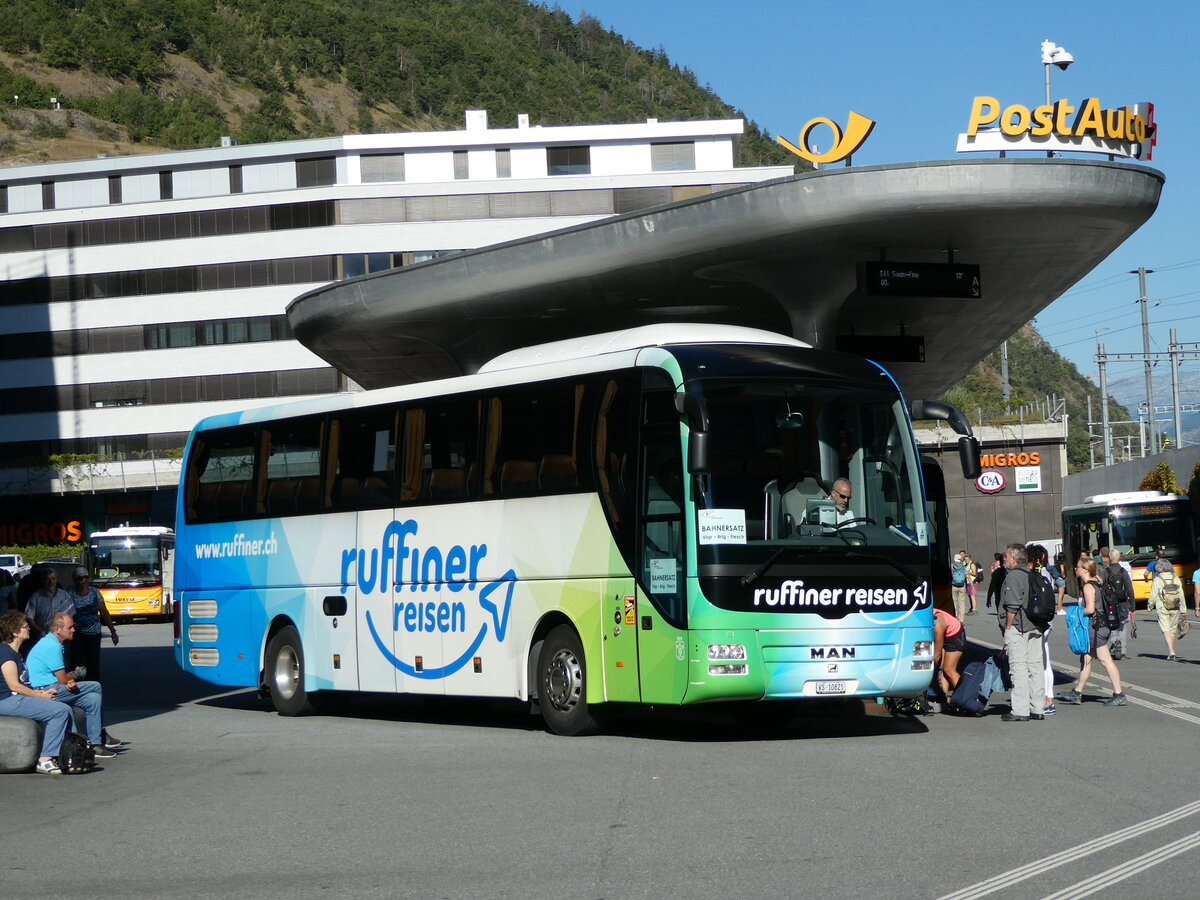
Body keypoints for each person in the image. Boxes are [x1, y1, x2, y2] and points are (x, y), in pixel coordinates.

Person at [25, 612, 122, 756]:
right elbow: (63, 679)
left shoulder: (52, 642)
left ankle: (95, 743)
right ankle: (101, 733)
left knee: (93, 699)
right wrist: (76, 674)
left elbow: (60, 678)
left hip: (52, 686)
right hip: (45, 691)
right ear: (58, 629)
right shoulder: (52, 646)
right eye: (70, 627)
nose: (73, 630)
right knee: (95, 686)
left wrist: (69, 680)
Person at [0, 609, 73, 775]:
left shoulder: (15, 653)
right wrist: (40, 696)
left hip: (15, 699)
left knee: (61, 704)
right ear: (14, 632)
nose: (29, 628)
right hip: (6, 700)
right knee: (60, 711)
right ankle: (45, 759)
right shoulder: (5, 652)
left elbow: (23, 683)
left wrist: (44, 692)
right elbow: (14, 686)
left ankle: (68, 750)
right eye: (25, 626)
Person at [1057, 556, 1126, 706]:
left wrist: (1074, 611)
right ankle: (1077, 692)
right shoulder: (1098, 582)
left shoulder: (1088, 587)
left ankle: (1119, 693)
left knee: (1105, 660)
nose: (1076, 569)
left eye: (1078, 567)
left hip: (1096, 627)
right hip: (1102, 625)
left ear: (1086, 569)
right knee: (1086, 659)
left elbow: (1089, 609)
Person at [998, 543, 1045, 722]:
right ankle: (1037, 708)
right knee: (1035, 667)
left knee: (1018, 668)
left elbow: (1012, 605)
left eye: (1006, 557)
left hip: (1019, 627)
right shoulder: (1032, 573)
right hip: (1036, 626)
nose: (1004, 560)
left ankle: (1020, 710)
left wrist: (1008, 627)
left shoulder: (1014, 576)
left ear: (1015, 559)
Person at [68, 566, 119, 681]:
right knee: (77, 662)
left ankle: (94, 685)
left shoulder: (95, 592)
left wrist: (113, 631)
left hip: (94, 634)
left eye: (85, 577)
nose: (83, 580)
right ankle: (78, 686)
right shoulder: (70, 593)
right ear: (74, 579)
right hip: (77, 634)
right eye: (79, 578)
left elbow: (104, 612)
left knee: (93, 663)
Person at [1146, 558, 1187, 661]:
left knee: (1165, 628)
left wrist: (1150, 606)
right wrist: (1183, 610)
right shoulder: (1176, 579)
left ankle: (1170, 650)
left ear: (1158, 568)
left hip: (1162, 607)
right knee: (1173, 629)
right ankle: (1171, 650)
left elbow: (1153, 595)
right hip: (1175, 607)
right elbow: (1181, 595)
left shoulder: (1157, 580)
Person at [22, 565, 76, 642]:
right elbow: (29, 617)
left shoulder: (65, 595)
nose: (51, 582)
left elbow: (71, 615)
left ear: (56, 579)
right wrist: (39, 631)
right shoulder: (35, 597)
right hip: (42, 637)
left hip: (61, 637)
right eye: (47, 579)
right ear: (42, 580)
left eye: (53, 578)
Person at [1106, 550, 1136, 660]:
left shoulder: (1106, 571)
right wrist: (1132, 606)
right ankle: (1122, 650)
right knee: (1123, 626)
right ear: (1119, 558)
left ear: (1110, 558)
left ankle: (1114, 643)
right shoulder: (1123, 571)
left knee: (1111, 625)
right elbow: (1129, 589)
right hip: (1123, 602)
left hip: (1110, 603)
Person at [933, 607, 965, 702]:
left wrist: (930, 670)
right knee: (942, 669)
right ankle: (944, 698)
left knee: (948, 669)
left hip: (956, 635)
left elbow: (937, 653)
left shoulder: (938, 623)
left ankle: (965, 697)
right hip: (947, 634)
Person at [950, 552, 969, 620]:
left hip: (954, 585)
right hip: (962, 586)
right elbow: (967, 576)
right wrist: (972, 586)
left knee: (954, 602)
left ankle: (955, 617)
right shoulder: (963, 567)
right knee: (962, 603)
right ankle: (961, 619)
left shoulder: (952, 566)